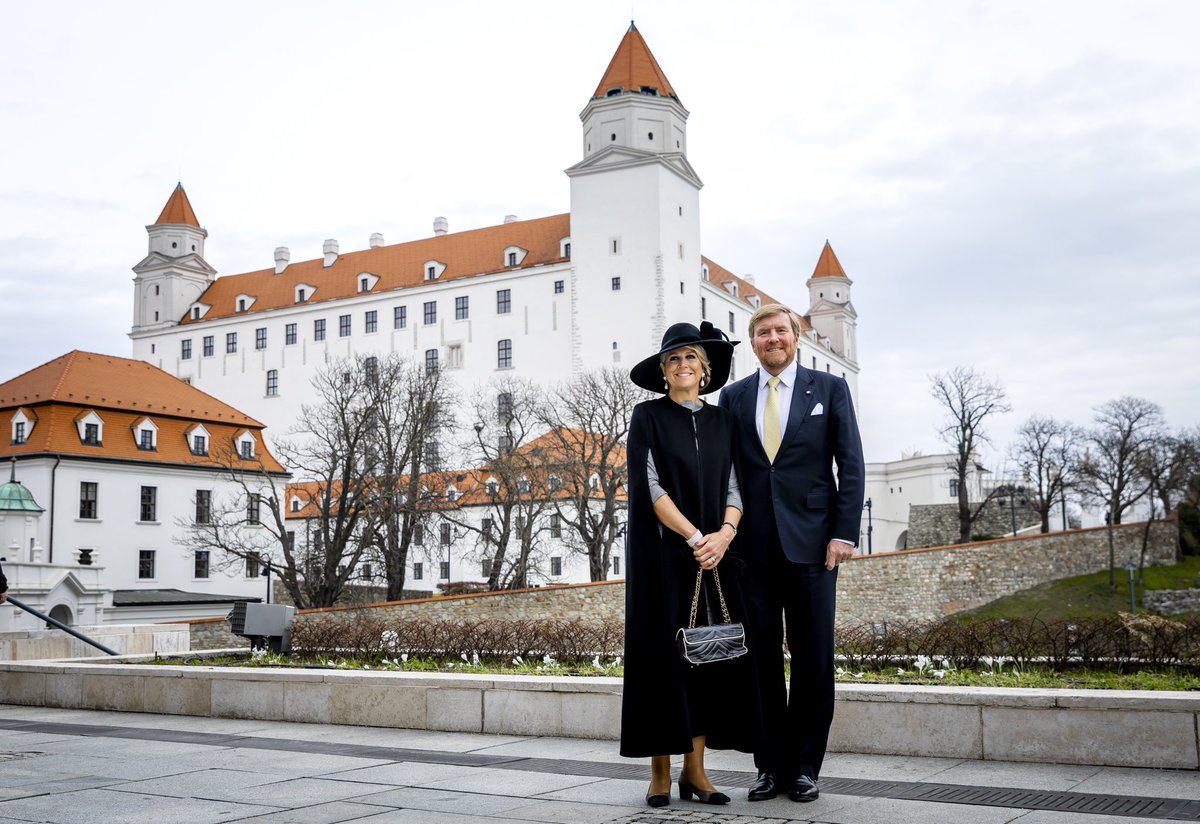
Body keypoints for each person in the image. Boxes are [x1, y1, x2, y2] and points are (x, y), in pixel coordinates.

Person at [718, 304, 865, 803]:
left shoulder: (829, 390)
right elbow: (725, 472)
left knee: (812, 660)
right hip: (751, 550)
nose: (772, 339)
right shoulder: (733, 397)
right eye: (763, 333)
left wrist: (844, 533)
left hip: (814, 548)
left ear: (796, 337)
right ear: (754, 342)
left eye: (781, 331)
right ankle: (769, 765)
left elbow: (851, 463)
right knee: (758, 663)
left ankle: (804, 767)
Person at [621, 320, 761, 808]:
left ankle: (696, 772)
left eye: (692, 360)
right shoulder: (648, 418)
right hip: (664, 557)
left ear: (705, 371)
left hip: (716, 558)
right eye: (674, 359)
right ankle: (661, 772)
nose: (684, 366)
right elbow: (649, 486)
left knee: (706, 661)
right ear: (664, 372)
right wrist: (694, 535)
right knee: (663, 661)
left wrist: (724, 534)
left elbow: (736, 486)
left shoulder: (725, 422)